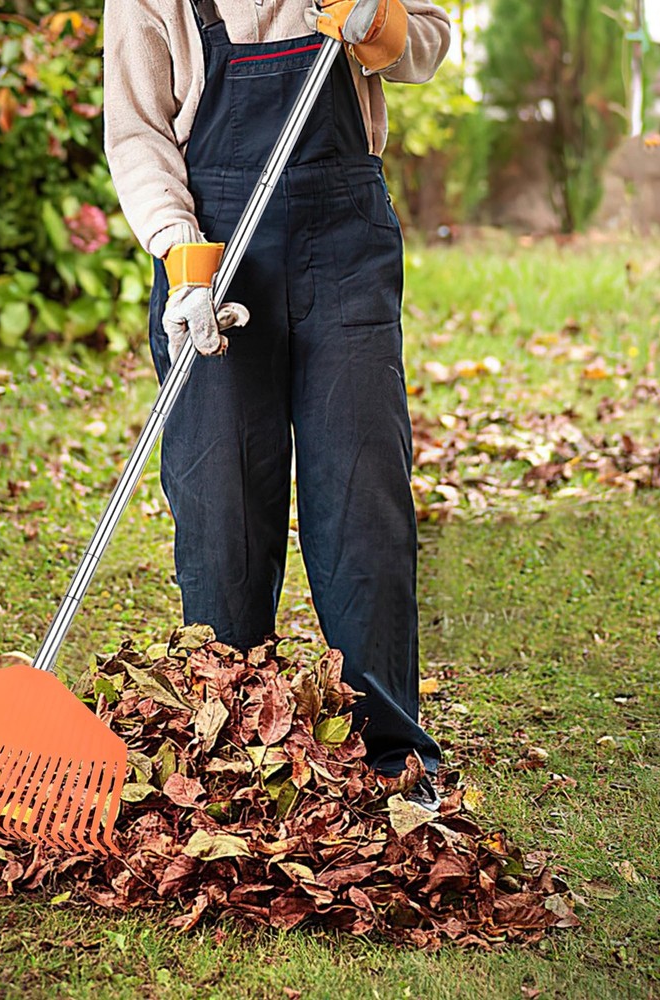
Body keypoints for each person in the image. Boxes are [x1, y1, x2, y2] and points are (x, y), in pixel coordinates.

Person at [104, 0, 450, 814]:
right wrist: (182, 261)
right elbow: (139, 133)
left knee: (363, 502)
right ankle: (231, 753)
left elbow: (429, 42)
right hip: (213, 250)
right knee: (220, 506)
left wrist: (378, 22)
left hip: (345, 241)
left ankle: (391, 763)